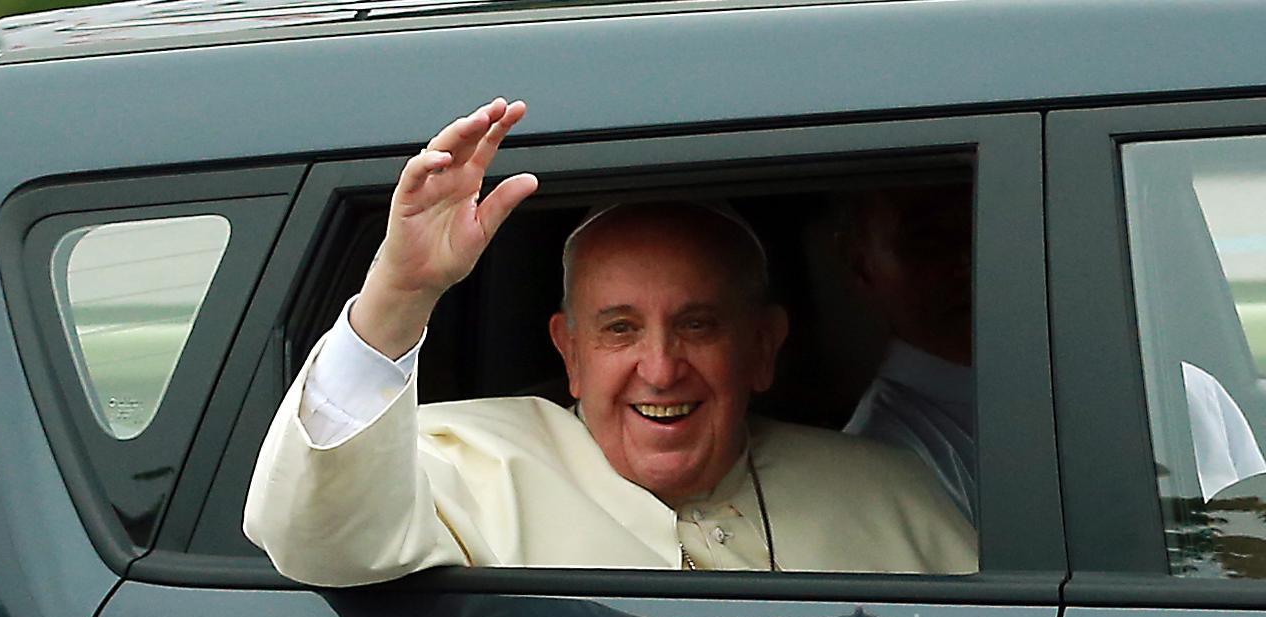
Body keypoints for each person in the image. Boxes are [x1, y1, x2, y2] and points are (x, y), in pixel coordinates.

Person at [243, 99, 976, 586]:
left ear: (762, 348)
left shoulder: (893, 494)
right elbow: (314, 539)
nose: (659, 369)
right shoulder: (462, 466)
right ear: (570, 353)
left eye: (698, 325)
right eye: (619, 329)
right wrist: (401, 292)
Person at [843, 186, 978, 526]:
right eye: (929, 240)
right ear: (862, 265)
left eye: (979, 229)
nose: (965, 260)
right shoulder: (887, 455)